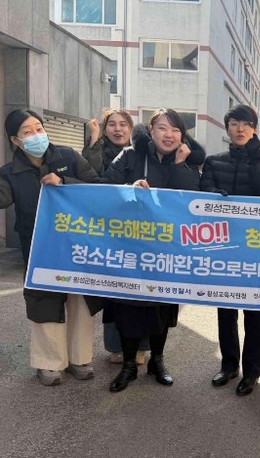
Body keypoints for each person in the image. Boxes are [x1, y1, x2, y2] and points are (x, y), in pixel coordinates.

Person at [0, 109, 102, 386]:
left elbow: (98, 188)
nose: (36, 135)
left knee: (80, 300)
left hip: (79, 244)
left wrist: (63, 182)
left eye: (39, 128)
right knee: (44, 301)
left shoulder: (68, 157)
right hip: (40, 247)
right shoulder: (10, 172)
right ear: (15, 141)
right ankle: (49, 363)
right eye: (27, 132)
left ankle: (80, 358)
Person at [103, 108, 205, 392]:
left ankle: (157, 361)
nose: (168, 135)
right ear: (150, 131)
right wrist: (129, 188)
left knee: (162, 309)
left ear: (182, 135)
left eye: (175, 129)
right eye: (162, 128)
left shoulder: (188, 162)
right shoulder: (130, 156)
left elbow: (191, 201)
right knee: (127, 308)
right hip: (131, 248)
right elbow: (104, 189)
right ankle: (128, 366)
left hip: (167, 251)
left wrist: (180, 166)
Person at [200, 104, 260, 396]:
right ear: (227, 128)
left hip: (256, 250)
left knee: (254, 314)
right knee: (226, 311)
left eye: (246, 124)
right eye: (235, 124)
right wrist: (214, 196)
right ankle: (228, 365)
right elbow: (203, 193)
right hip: (223, 249)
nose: (240, 129)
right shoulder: (214, 161)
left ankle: (252, 372)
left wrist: (253, 156)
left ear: (254, 129)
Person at [81, 109, 149, 366]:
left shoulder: (142, 154)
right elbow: (90, 182)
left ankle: (141, 347)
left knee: (141, 292)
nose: (118, 129)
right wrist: (93, 140)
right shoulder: (97, 152)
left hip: (141, 234)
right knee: (113, 295)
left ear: (131, 129)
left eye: (123, 124)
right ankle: (115, 346)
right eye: (112, 124)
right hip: (109, 234)